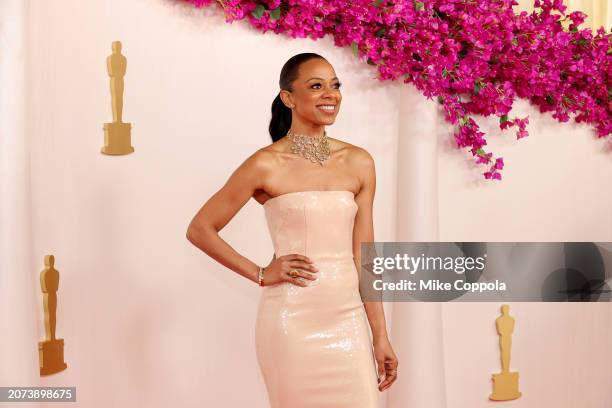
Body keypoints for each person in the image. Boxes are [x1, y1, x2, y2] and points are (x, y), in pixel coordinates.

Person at [186, 52, 398, 407]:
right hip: (291, 323)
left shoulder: (359, 162)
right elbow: (200, 229)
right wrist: (260, 273)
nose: (330, 94)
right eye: (316, 86)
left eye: (335, 86)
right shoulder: (265, 164)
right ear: (289, 98)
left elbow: (366, 256)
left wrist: (381, 336)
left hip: (348, 320)